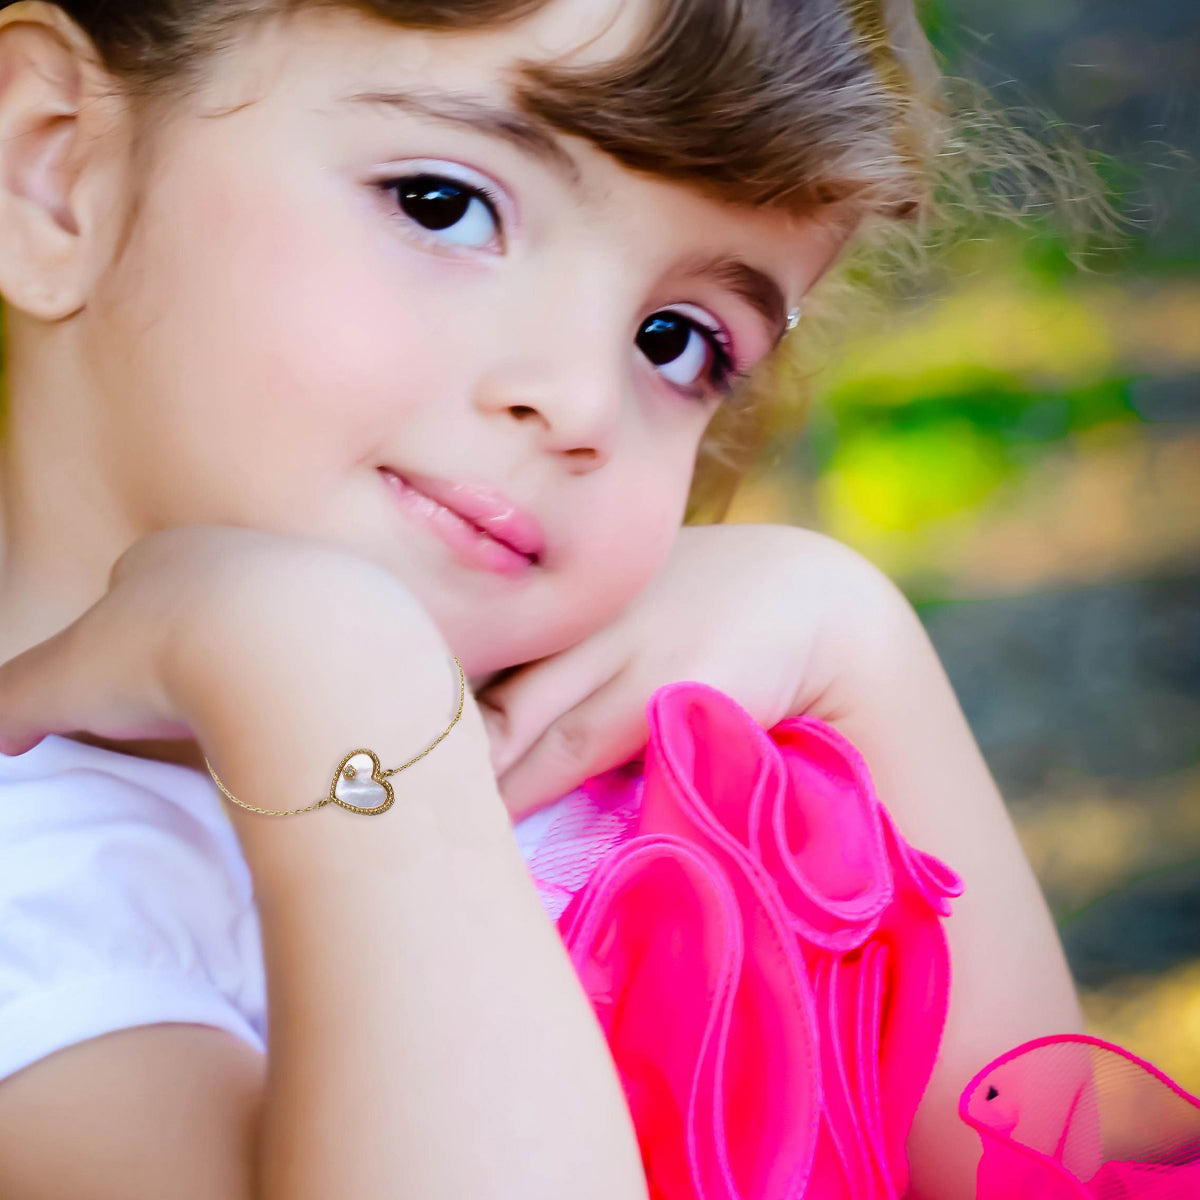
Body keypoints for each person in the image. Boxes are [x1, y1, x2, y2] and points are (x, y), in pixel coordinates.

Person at [0, 1, 1174, 1197]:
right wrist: (338, 690)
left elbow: (1042, 1170)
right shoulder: (36, 907)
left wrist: (859, 645)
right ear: (54, 170)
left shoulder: (668, 728)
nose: (580, 400)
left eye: (675, 342)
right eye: (445, 206)